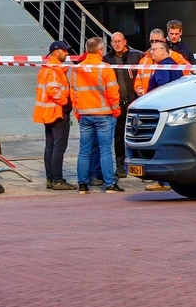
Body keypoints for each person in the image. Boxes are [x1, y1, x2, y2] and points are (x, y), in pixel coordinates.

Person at [70, 37, 123, 193]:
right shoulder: (105, 68)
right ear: (101, 51)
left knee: (84, 150)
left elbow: (74, 94)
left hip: (85, 115)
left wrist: (77, 112)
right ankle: (110, 184)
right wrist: (116, 111)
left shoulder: (76, 69)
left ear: (87, 50)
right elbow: (113, 92)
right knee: (105, 150)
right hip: (104, 115)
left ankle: (82, 185)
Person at [33, 40, 76, 191]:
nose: (67, 53)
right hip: (57, 113)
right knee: (59, 147)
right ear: (56, 52)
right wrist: (66, 103)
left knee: (50, 146)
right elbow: (53, 90)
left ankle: (51, 179)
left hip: (49, 113)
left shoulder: (48, 68)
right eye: (65, 51)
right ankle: (57, 180)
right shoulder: (53, 69)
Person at [103, 32, 143, 177]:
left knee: (137, 134)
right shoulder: (107, 59)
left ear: (125, 42)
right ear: (111, 43)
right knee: (118, 136)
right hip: (118, 103)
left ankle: (138, 165)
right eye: (114, 42)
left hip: (135, 103)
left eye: (119, 41)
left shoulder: (137, 56)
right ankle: (120, 167)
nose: (117, 44)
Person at [144, 41, 179, 192]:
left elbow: (163, 88)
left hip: (163, 111)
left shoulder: (164, 67)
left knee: (161, 144)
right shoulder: (173, 64)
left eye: (154, 50)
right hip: (174, 110)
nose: (151, 52)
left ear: (164, 51)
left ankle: (162, 181)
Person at [134, 28, 191, 96]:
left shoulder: (175, 57)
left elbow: (188, 75)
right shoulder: (144, 60)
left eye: (157, 41)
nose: (153, 43)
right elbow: (138, 78)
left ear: (164, 40)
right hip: (147, 98)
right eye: (152, 41)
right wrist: (138, 87)